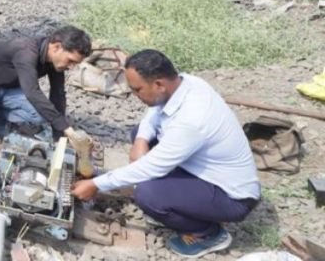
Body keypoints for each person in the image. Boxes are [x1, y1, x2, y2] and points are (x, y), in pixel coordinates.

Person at [71, 50, 260, 259]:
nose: (135, 96)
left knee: (148, 194)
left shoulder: (191, 120)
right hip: (203, 170)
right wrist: (141, 140)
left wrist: (96, 184)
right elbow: (154, 111)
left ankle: (207, 233)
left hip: (232, 197)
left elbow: (151, 168)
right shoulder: (185, 83)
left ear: (159, 84)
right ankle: (183, 203)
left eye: (138, 90)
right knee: (140, 135)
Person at [0, 26, 92, 143]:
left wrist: (59, 135)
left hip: (9, 89)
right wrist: (66, 127)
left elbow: (58, 94)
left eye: (76, 64)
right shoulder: (26, 51)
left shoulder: (55, 62)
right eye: (71, 61)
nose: (72, 67)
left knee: (43, 114)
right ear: (56, 47)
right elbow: (32, 91)